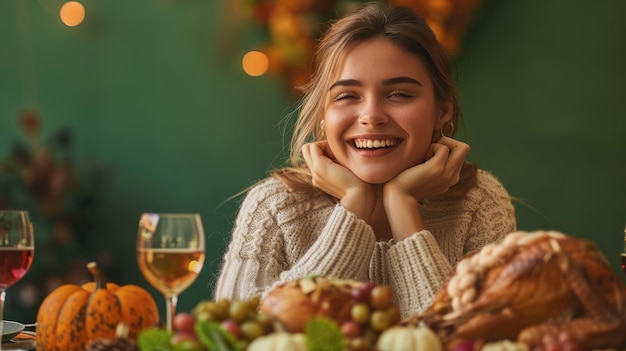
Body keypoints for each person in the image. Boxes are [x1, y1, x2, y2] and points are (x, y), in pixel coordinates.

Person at [213, 1, 516, 318]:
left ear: (442, 111)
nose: (371, 116)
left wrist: (403, 211)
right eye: (347, 95)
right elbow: (235, 337)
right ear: (322, 116)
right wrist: (352, 212)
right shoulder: (274, 207)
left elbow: (472, 340)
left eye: (399, 94)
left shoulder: (480, 204)